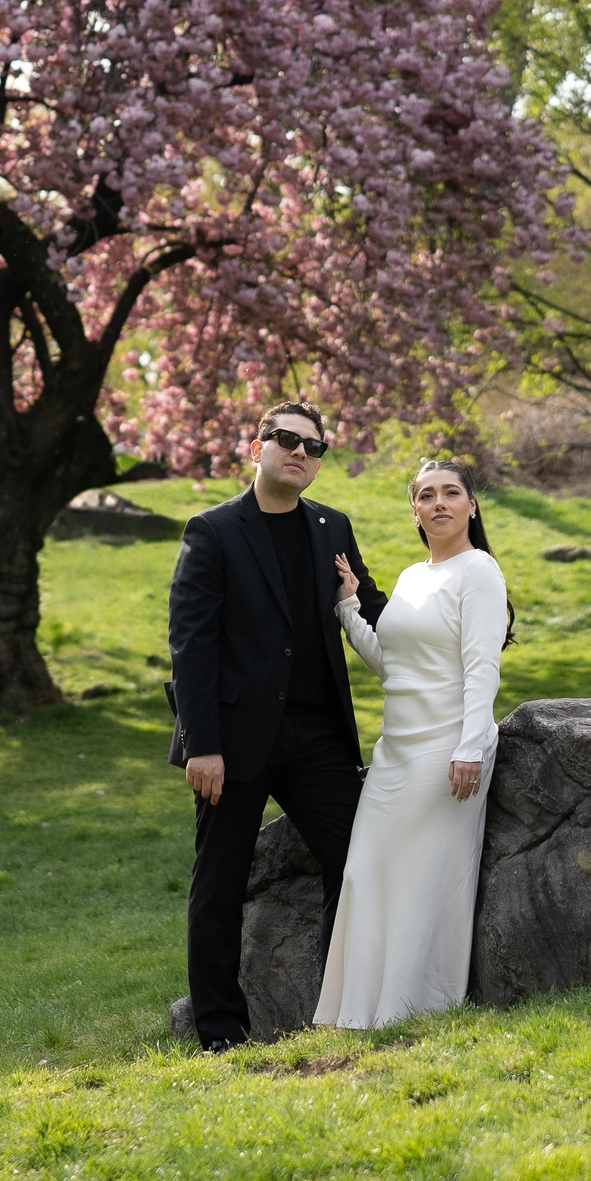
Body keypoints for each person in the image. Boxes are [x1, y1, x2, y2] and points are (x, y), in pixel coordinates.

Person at [167, 399, 387, 1052]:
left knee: (357, 861)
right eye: (287, 439)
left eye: (314, 446)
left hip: (318, 737)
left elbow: (371, 608)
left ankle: (343, 1008)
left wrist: (457, 623)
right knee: (220, 884)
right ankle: (220, 1032)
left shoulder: (333, 527)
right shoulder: (212, 531)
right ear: (256, 446)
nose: (300, 452)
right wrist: (201, 745)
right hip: (233, 743)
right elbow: (192, 644)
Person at [313, 457, 513, 1029]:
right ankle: (357, 1012)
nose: (439, 503)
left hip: (448, 746)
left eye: (452, 493)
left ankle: (411, 1011)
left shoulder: (480, 572)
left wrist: (470, 746)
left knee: (420, 879)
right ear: (416, 511)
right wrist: (350, 606)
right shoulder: (409, 578)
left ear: (471, 505)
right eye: (427, 496)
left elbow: (482, 667)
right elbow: (391, 666)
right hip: (395, 748)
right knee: (364, 871)